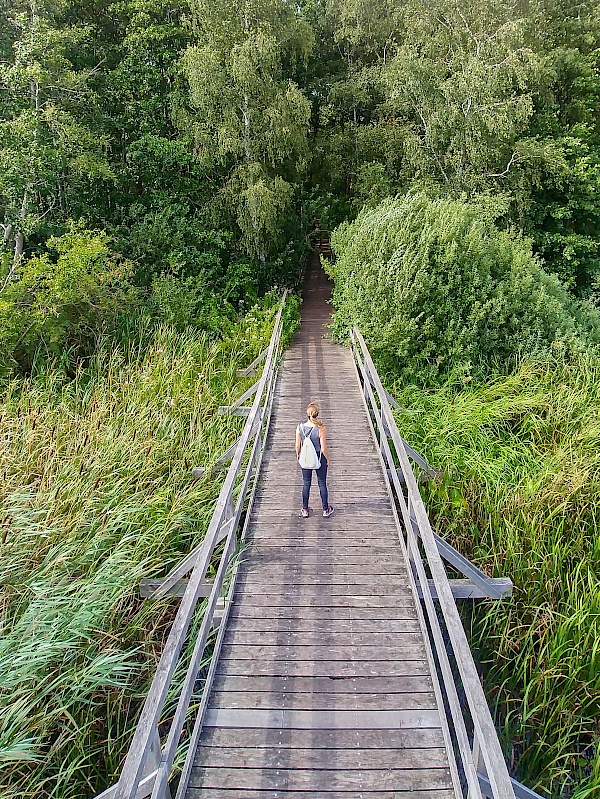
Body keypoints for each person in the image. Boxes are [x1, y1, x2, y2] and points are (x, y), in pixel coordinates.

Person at [295, 402, 334, 518]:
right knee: (322, 483)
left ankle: (305, 509)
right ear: (317, 414)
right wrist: (328, 459)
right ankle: (326, 509)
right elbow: (323, 448)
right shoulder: (321, 428)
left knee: (306, 483)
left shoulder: (300, 427)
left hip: (306, 458)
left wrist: (298, 455)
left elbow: (297, 446)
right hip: (318, 458)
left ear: (307, 414)